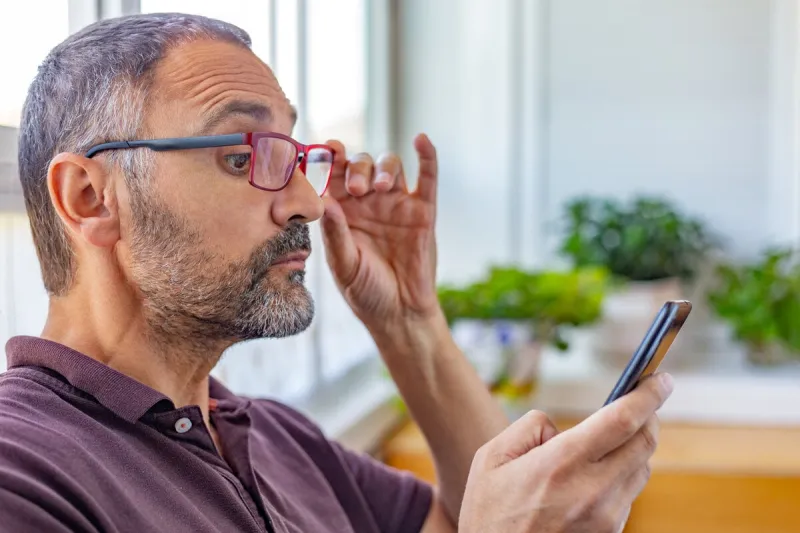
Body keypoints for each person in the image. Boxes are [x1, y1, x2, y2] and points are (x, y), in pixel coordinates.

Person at [0, 13, 672, 533]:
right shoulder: (23, 472)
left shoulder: (276, 437)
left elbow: (466, 518)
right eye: (243, 156)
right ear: (90, 197)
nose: (307, 202)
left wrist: (408, 322)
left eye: (296, 155)